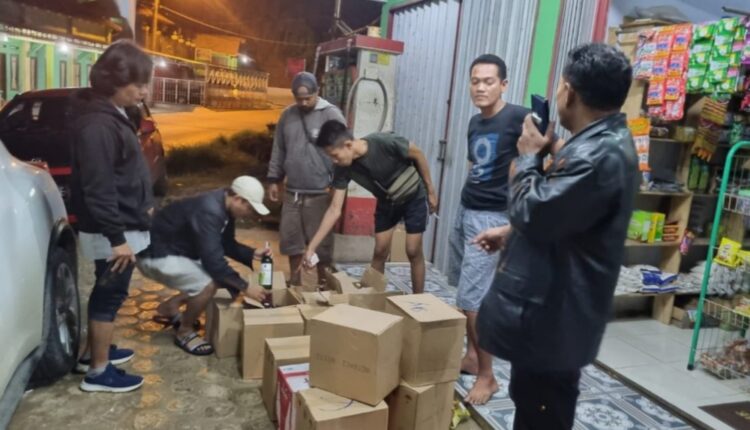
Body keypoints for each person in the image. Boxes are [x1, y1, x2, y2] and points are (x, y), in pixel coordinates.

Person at [473, 43, 637, 429]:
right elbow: (568, 215)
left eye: (561, 86)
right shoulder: (597, 143)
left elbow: (534, 213)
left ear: (570, 92)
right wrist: (512, 232)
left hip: (558, 317)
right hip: (557, 312)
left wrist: (528, 156)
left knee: (543, 411)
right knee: (533, 402)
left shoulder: (598, 155)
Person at [70, 40, 154, 393]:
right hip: (113, 231)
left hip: (120, 225)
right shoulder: (97, 125)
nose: (144, 92)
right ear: (116, 81)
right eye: (139, 85)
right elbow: (99, 186)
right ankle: (98, 372)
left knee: (107, 291)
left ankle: (95, 354)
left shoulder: (110, 113)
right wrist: (117, 239)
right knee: (109, 296)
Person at [448, 54, 532, 405]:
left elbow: (548, 154)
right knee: (464, 292)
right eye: (475, 81)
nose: (480, 87)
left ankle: (487, 376)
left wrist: (515, 217)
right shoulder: (474, 122)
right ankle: (471, 356)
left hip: (491, 218)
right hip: (466, 209)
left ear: (504, 85)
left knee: (473, 302)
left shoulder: (519, 117)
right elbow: (475, 164)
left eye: (488, 81)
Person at [137, 176, 273, 355]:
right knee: (206, 285)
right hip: (155, 255)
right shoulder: (210, 211)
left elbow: (225, 243)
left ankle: (170, 307)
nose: (249, 214)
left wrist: (252, 253)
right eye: (249, 208)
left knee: (219, 279)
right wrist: (246, 287)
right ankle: (184, 332)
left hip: (174, 250)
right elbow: (214, 262)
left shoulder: (224, 206)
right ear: (238, 199)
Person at [302, 121, 438, 293]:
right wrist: (311, 247)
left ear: (348, 145)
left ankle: (418, 298)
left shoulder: (383, 142)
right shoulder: (342, 169)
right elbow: (334, 209)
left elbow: (417, 153)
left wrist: (431, 191)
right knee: (380, 250)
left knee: (412, 249)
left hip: (413, 197)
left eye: (335, 155)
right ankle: (373, 299)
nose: (334, 160)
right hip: (387, 202)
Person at [267, 72, 346, 287]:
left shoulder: (331, 114)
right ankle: (295, 284)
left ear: (317, 92)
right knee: (291, 241)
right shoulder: (287, 115)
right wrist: (274, 179)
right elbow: (279, 149)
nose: (303, 103)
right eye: (298, 99)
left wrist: (337, 185)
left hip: (320, 191)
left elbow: (343, 151)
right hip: (292, 191)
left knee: (321, 245)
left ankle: (323, 284)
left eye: (307, 98)